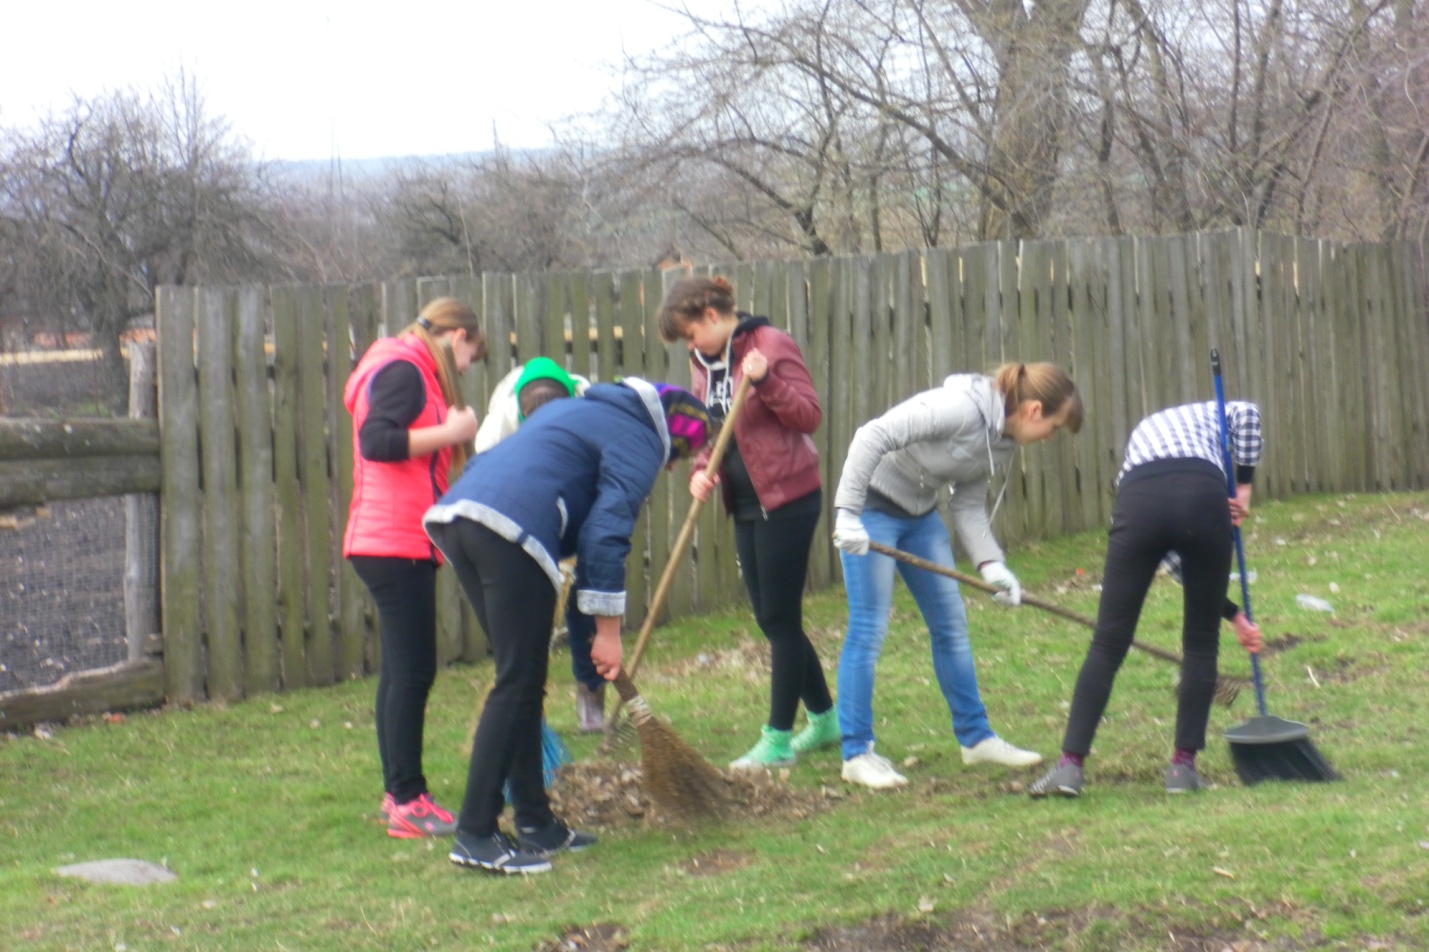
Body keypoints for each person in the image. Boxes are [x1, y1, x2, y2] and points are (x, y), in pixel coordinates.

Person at [424, 377, 710, 875]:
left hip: (460, 513)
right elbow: (606, 531)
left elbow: (520, 467)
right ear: (674, 439)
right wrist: (608, 631)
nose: (668, 467)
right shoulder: (640, 437)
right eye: (679, 457)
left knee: (524, 679)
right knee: (516, 683)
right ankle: (475, 833)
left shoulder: (581, 410)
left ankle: (535, 820)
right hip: (510, 528)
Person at [831, 363, 1083, 789]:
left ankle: (976, 738)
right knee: (869, 629)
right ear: (1035, 410)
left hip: (918, 514)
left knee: (951, 625)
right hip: (871, 508)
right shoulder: (957, 408)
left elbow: (968, 505)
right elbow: (871, 435)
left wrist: (992, 565)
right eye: (1054, 427)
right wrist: (848, 513)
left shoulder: (1003, 440)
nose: (1050, 438)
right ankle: (857, 753)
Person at [1029, 399, 1264, 799]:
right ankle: (1182, 770)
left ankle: (1069, 767)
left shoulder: (1143, 440)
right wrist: (1242, 487)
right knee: (1200, 643)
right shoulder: (1216, 412)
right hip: (1204, 497)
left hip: (1139, 503)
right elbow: (1248, 414)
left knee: (1108, 642)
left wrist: (1236, 616)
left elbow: (1173, 562)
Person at [658, 276, 837, 770]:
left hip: (789, 497)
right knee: (769, 617)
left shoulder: (770, 344)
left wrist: (767, 382)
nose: (690, 347)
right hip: (744, 502)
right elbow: (710, 429)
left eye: (691, 334)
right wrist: (700, 470)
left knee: (781, 619)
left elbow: (808, 416)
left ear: (712, 315)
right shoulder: (705, 363)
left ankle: (777, 739)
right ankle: (824, 718)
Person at [342, 297, 484, 839]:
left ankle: (398, 792)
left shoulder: (403, 365)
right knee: (413, 670)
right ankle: (407, 800)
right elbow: (376, 443)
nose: (468, 366)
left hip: (391, 538)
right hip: (391, 540)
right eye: (471, 353)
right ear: (456, 336)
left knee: (403, 670)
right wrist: (452, 433)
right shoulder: (403, 369)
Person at [473, 357, 608, 733]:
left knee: (587, 599)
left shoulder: (586, 408)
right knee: (528, 612)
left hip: (579, 498)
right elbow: (485, 472)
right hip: (522, 507)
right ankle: (531, 702)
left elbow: (602, 469)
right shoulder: (501, 424)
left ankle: (591, 694)